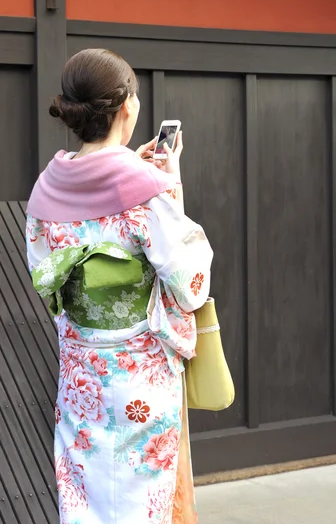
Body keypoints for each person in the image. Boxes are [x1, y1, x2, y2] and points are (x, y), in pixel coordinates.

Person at [26, 48, 213, 522]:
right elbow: (189, 284)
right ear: (127, 107)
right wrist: (164, 183)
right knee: (137, 499)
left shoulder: (47, 187)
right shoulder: (144, 187)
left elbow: (46, 277)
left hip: (81, 375)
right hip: (139, 375)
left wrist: (138, 169)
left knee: (84, 496)